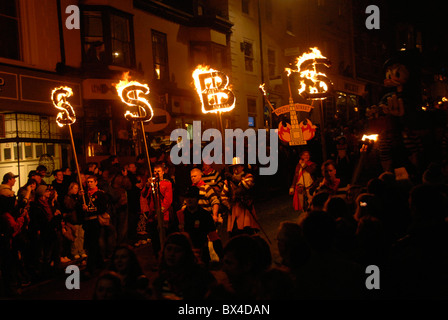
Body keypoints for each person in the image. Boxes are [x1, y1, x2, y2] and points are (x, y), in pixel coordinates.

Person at [152, 232, 216, 300]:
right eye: (169, 249)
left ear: (186, 253)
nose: (172, 254)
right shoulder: (161, 279)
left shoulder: (200, 276)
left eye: (177, 250)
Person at [177, 186, 222, 265]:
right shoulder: (179, 215)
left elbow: (214, 237)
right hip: (184, 255)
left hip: (202, 254)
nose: (189, 199)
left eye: (192, 197)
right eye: (187, 197)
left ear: (197, 199)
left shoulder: (205, 215)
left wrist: (222, 256)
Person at [140, 163, 174, 257]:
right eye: (155, 171)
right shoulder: (151, 184)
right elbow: (144, 195)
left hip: (163, 215)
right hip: (152, 215)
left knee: (163, 238)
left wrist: (160, 212)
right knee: (154, 239)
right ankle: (157, 258)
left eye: (158, 171)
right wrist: (147, 186)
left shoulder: (167, 184)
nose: (156, 173)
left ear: (163, 172)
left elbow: (168, 200)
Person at [220, 158, 259, 237]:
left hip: (245, 208)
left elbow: (244, 186)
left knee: (247, 231)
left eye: (237, 166)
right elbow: (223, 195)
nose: (235, 169)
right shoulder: (228, 181)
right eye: (233, 167)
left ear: (242, 167)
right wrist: (228, 205)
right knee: (235, 233)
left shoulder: (248, 177)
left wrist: (232, 178)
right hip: (234, 209)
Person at [82, 175, 109, 276]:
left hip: (95, 221)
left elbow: (102, 208)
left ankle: (90, 267)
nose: (89, 184)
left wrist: (88, 209)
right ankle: (100, 262)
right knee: (93, 244)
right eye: (88, 182)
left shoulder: (100, 194)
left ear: (96, 182)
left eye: (91, 182)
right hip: (87, 222)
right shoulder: (84, 194)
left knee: (92, 245)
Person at [63, 182, 87, 260]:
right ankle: (75, 252)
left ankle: (81, 251)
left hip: (80, 219)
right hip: (73, 220)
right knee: (75, 237)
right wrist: (78, 198)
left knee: (81, 237)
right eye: (75, 188)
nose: (77, 190)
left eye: (77, 188)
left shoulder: (77, 197)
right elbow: (70, 206)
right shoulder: (68, 197)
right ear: (71, 188)